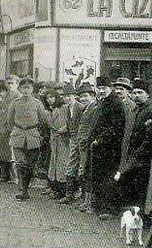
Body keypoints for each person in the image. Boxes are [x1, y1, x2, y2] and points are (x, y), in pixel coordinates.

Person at [115, 78, 152, 215]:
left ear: (147, 95)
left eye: (140, 92)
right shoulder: (134, 110)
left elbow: (149, 139)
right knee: (133, 188)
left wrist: (136, 156)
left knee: (143, 189)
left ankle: (143, 217)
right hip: (132, 155)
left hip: (143, 159)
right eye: (134, 92)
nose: (136, 95)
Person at [90, 76, 126, 220]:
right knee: (100, 176)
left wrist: (99, 139)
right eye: (99, 88)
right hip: (101, 147)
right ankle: (100, 206)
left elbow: (115, 127)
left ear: (110, 88)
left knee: (109, 177)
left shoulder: (115, 103)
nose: (101, 91)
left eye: (104, 88)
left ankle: (110, 209)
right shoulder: (103, 102)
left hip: (110, 148)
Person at [8, 77, 49, 201]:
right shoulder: (15, 103)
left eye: (29, 88)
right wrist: (16, 131)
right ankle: (22, 190)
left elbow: (43, 121)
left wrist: (39, 135)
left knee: (30, 165)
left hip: (33, 136)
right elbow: (9, 120)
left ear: (32, 89)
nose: (26, 90)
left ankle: (25, 188)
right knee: (20, 164)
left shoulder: (37, 103)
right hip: (18, 135)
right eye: (24, 88)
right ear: (20, 89)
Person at [54, 85, 85, 204]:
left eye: (69, 95)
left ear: (74, 96)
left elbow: (83, 125)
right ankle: (69, 195)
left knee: (80, 166)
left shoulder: (81, 107)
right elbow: (69, 124)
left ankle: (78, 195)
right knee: (71, 165)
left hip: (80, 140)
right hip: (73, 139)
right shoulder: (67, 108)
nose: (67, 98)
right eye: (65, 96)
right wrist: (62, 130)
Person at [75, 83, 99, 212]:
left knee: (86, 172)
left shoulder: (94, 108)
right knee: (83, 171)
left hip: (87, 145)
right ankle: (84, 201)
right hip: (82, 144)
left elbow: (91, 128)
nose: (83, 99)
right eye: (81, 96)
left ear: (92, 96)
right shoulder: (87, 108)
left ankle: (88, 203)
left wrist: (86, 141)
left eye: (85, 96)